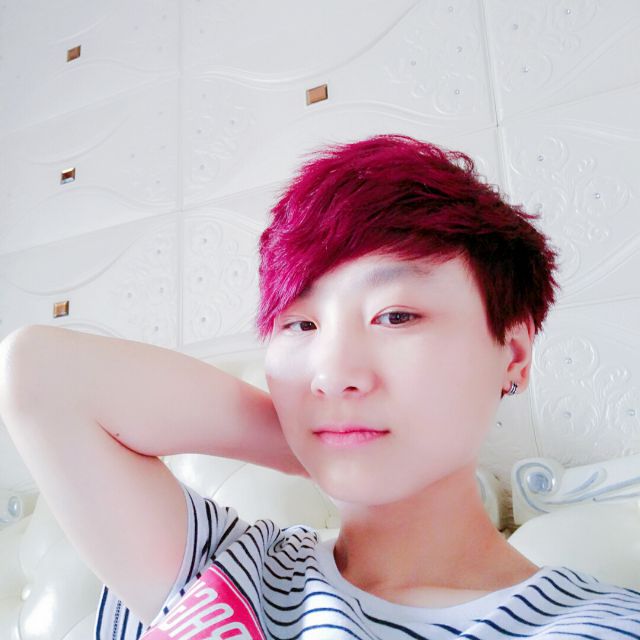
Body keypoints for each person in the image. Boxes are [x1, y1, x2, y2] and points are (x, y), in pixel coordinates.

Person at [1, 134, 638, 639]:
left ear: (514, 354)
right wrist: (311, 444)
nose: (331, 374)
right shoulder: (232, 572)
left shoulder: (596, 625)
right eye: (300, 324)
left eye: (396, 316)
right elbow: (40, 373)